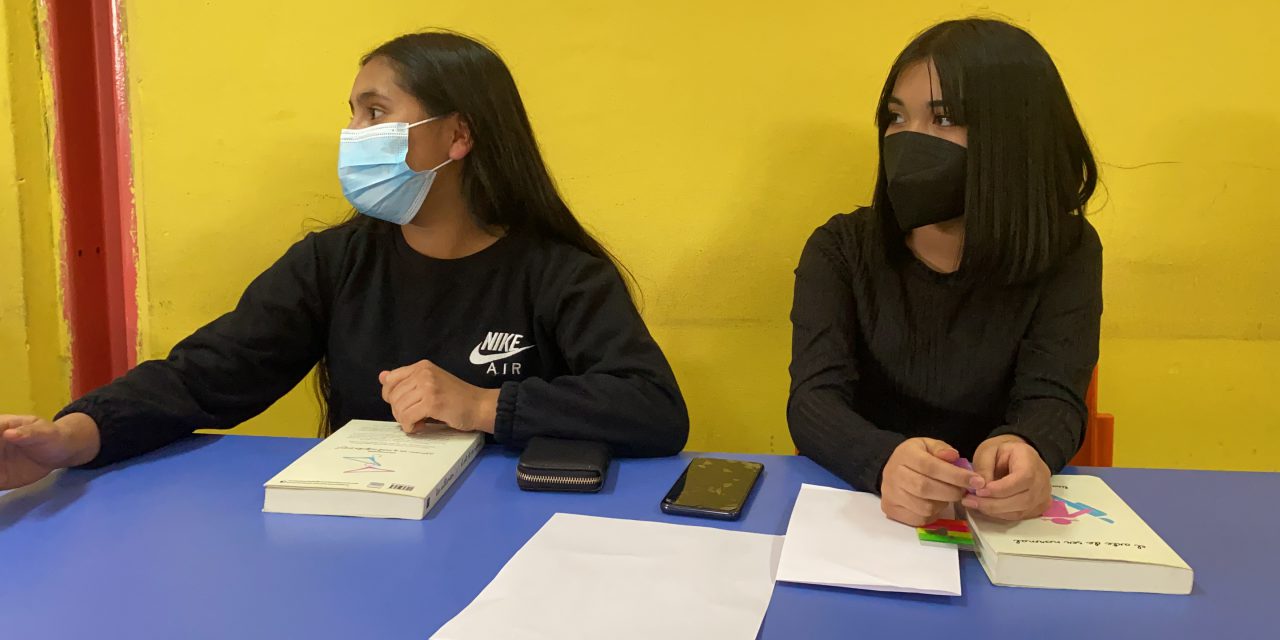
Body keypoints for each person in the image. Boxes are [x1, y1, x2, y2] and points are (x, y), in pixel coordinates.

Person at [0, 31, 689, 491]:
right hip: (368, 527)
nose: (353, 135)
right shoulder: (333, 263)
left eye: (374, 111)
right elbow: (205, 376)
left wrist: (483, 403)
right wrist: (69, 437)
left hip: (527, 538)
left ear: (457, 134)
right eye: (353, 114)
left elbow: (653, 409)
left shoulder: (559, 271)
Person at [787, 18, 1102, 526]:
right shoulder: (840, 248)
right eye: (896, 117)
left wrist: (1026, 448)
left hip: (992, 517)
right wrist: (882, 459)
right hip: (865, 511)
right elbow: (814, 400)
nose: (909, 140)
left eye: (943, 118)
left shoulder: (1067, 251)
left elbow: (1054, 396)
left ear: (1015, 135)